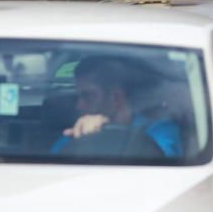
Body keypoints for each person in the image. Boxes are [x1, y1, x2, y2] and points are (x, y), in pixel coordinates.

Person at [53, 56, 182, 157]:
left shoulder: (159, 130)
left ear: (116, 97)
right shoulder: (75, 134)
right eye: (78, 97)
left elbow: (163, 167)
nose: (79, 106)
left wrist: (106, 132)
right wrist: (84, 140)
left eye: (88, 96)